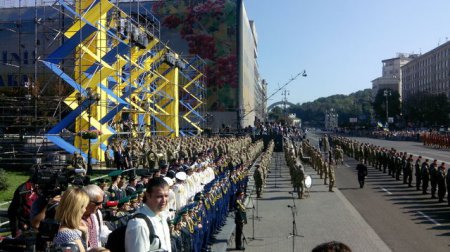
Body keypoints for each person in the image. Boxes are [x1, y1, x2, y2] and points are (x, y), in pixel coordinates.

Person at [125, 177, 172, 252]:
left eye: (166, 196)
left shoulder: (162, 217)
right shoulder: (139, 224)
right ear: (147, 195)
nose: (164, 200)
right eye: (159, 196)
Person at [53, 187, 90, 252]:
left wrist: (85, 234)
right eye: (84, 207)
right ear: (77, 209)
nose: (85, 210)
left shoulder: (62, 230)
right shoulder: (69, 236)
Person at [82, 184, 112, 249]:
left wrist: (114, 235)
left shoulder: (97, 213)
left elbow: (100, 232)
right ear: (86, 201)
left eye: (102, 202)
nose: (101, 206)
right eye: (98, 203)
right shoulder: (74, 218)